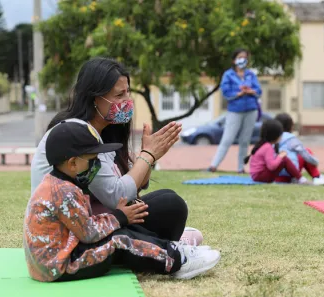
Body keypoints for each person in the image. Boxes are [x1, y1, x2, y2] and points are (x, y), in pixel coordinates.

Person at [30, 57, 201, 245]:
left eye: (128, 92)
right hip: (73, 233)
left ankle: (153, 242)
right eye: (119, 95)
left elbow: (134, 187)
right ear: (94, 98)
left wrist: (148, 156)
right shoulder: (77, 133)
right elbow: (117, 195)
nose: (127, 101)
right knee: (170, 206)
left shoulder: (105, 130)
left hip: (96, 222)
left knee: (166, 199)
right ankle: (157, 244)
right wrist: (148, 155)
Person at [24, 122, 220, 282]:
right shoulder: (63, 192)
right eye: (92, 159)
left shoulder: (58, 183)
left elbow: (84, 226)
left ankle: (171, 248)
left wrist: (117, 217)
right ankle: (177, 261)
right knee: (119, 239)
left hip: (54, 261)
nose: (97, 164)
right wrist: (119, 217)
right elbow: (89, 233)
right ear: (73, 163)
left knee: (117, 230)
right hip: (60, 266)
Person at [208, 48, 262, 174]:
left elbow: (258, 91)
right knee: (227, 139)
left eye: (245, 57)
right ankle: (213, 165)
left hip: (251, 110)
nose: (243, 59)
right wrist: (239, 93)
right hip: (235, 111)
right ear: (234, 60)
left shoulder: (251, 74)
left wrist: (250, 91)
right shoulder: (228, 75)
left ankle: (240, 168)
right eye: (240, 57)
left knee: (245, 141)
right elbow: (226, 92)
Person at [274, 113, 324, 186]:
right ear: (291, 126)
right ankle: (317, 176)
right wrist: (316, 162)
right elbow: (306, 155)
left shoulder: (272, 138)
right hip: (291, 173)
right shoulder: (291, 139)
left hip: (275, 175)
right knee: (306, 151)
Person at [245, 119, 308, 184]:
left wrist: (278, 156)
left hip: (257, 176)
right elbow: (272, 166)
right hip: (260, 176)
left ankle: (297, 178)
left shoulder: (264, 145)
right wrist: (280, 156)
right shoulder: (268, 147)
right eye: (280, 134)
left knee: (283, 159)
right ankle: (300, 179)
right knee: (284, 159)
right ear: (275, 135)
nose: (281, 137)